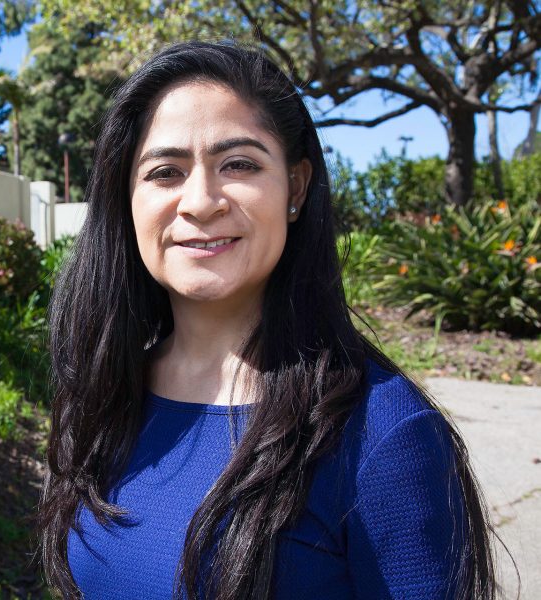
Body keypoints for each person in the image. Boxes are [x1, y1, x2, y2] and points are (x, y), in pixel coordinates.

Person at [38, 41, 498, 599]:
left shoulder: (381, 434)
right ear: (125, 196)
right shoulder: (103, 396)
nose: (201, 201)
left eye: (239, 164)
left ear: (295, 187)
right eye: (165, 171)